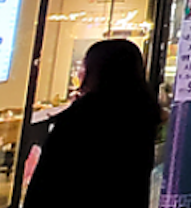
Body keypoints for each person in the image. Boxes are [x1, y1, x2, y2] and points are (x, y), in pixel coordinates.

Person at [24, 40, 161, 207]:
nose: (80, 73)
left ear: (97, 71)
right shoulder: (143, 114)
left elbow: (48, 179)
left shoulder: (80, 118)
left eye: (84, 66)